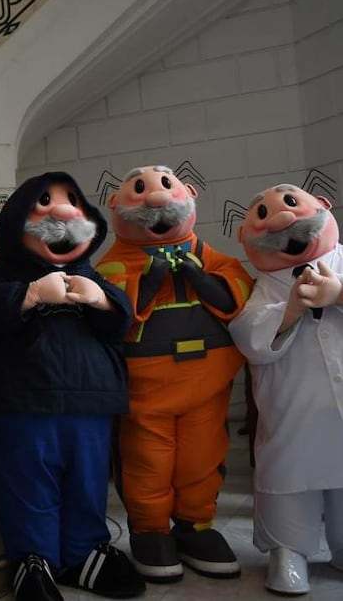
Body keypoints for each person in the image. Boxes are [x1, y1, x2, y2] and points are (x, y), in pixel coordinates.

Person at [0, 172, 145, 601]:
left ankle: (83, 554)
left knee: (87, 481)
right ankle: (35, 557)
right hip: (21, 404)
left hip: (90, 402)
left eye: (72, 202)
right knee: (29, 484)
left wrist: (100, 298)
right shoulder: (2, 279)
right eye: (44, 202)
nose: (62, 211)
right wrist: (28, 295)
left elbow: (122, 321)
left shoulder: (92, 276)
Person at [96, 166, 252, 583]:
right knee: (148, 462)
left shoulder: (213, 255)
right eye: (140, 191)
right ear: (116, 206)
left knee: (203, 458)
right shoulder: (113, 264)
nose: (154, 201)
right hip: (145, 395)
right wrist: (152, 280)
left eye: (166, 187)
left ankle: (195, 527)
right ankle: (150, 531)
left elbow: (236, 296)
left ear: (190, 196)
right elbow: (112, 315)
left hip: (206, 387)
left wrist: (199, 276)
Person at [228, 184, 343, 595]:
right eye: (261, 212)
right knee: (289, 476)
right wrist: (290, 309)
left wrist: (339, 294)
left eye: (290, 201)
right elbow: (247, 336)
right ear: (245, 236)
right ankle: (287, 551)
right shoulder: (263, 287)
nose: (279, 217)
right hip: (293, 411)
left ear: (323, 207)